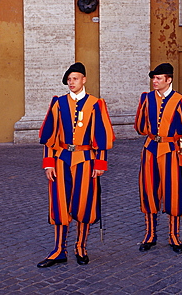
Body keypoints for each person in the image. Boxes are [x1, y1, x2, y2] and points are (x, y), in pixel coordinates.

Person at [37, 62, 115, 267]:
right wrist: (48, 163)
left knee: (84, 204)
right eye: (69, 80)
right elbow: (49, 137)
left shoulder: (96, 104)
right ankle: (58, 250)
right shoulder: (58, 103)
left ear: (84, 80)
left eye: (75, 78)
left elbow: (102, 135)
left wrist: (100, 163)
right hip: (61, 159)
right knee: (60, 204)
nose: (72, 82)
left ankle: (80, 246)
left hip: (86, 160)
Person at [134, 63, 182, 254]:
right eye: (153, 78)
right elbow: (140, 126)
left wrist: (177, 138)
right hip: (150, 149)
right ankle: (150, 235)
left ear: (168, 80)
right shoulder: (146, 99)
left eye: (158, 78)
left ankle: (174, 236)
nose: (154, 81)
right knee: (148, 190)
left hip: (171, 150)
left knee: (174, 192)